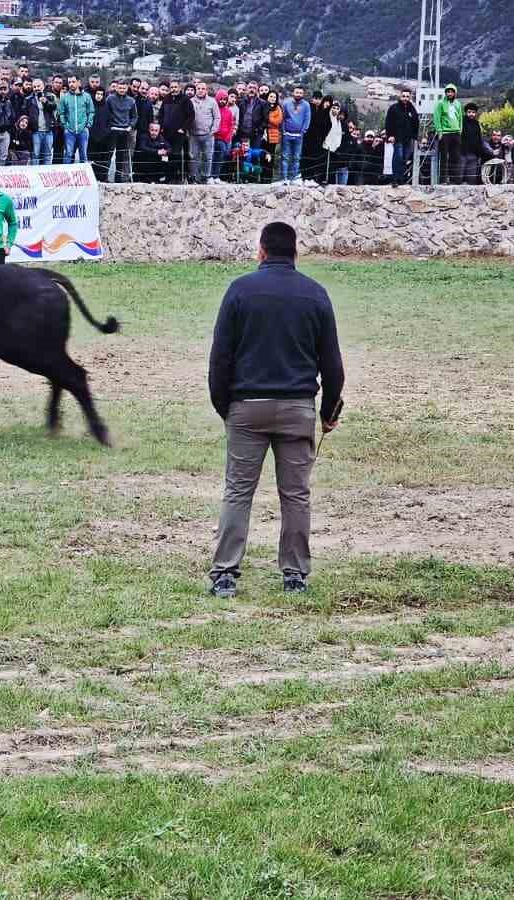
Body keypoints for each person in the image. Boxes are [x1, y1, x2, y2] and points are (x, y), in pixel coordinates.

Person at [207, 222, 344, 599]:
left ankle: (225, 574)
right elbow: (332, 364)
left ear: (261, 251)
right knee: (296, 494)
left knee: (238, 492)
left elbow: (220, 358)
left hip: (246, 407)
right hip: (298, 408)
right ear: (295, 252)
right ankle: (295, 574)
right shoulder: (315, 294)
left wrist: (226, 408)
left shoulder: (239, 291)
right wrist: (329, 410)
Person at [384, 88, 419, 183]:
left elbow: (416, 123)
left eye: (407, 96)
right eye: (403, 96)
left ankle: (401, 179)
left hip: (408, 139)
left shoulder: (413, 110)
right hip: (397, 137)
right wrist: (390, 135)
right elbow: (388, 123)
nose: (405, 98)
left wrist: (415, 137)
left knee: (405, 159)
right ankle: (395, 178)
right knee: (398, 156)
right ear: (400, 96)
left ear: (410, 97)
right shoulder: (394, 108)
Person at [188, 81, 219, 184]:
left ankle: (205, 177)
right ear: (196, 90)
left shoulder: (212, 102)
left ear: (206, 90)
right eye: (199, 89)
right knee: (193, 157)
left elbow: (217, 117)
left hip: (208, 135)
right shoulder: (190, 101)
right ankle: (194, 178)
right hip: (193, 134)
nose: (200, 91)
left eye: (203, 89)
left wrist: (213, 130)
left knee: (208, 157)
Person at [58, 75, 93, 166]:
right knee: (68, 154)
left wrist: (88, 124)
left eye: (73, 82)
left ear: (78, 82)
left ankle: (83, 177)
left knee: (83, 155)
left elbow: (91, 112)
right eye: (69, 82)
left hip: (83, 130)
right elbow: (61, 113)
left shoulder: (87, 96)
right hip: (70, 131)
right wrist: (65, 126)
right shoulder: (64, 97)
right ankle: (66, 177)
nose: (71, 84)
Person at [432, 83, 462, 184]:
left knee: (455, 156)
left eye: (451, 92)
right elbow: (437, 118)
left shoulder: (458, 103)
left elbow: (460, 118)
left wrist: (460, 129)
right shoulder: (440, 103)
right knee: (444, 157)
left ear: (455, 93)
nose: (449, 93)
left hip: (456, 133)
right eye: (448, 92)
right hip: (445, 133)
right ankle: (443, 179)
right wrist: (439, 131)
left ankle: (455, 179)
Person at [279, 86, 309, 183]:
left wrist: (303, 131)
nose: (298, 94)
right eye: (297, 92)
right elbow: (282, 117)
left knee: (296, 158)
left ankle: (293, 178)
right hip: (287, 134)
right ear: (293, 93)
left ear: (303, 94)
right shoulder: (286, 103)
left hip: (299, 136)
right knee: (285, 157)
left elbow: (307, 119)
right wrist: (283, 131)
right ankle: (284, 178)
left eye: (300, 93)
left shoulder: (306, 105)